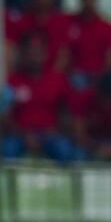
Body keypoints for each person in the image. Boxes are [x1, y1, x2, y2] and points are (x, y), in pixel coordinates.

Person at [2, 34, 78, 163]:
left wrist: (56, 130)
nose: (34, 58)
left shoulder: (57, 80)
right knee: (7, 148)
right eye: (30, 53)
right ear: (23, 55)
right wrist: (24, 134)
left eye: (37, 53)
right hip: (20, 135)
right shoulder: (11, 82)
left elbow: (66, 112)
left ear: (45, 54)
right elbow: (5, 115)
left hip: (50, 134)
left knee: (64, 149)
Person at [65, 0, 111, 89]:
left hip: (100, 77)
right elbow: (64, 55)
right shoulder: (68, 24)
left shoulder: (107, 27)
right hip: (76, 77)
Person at [71, 68, 111, 160]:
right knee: (78, 154)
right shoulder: (85, 99)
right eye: (105, 100)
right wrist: (99, 148)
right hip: (90, 143)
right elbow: (79, 135)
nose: (108, 104)